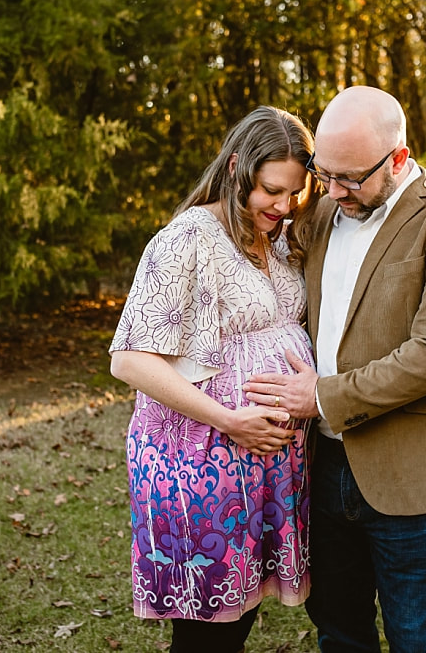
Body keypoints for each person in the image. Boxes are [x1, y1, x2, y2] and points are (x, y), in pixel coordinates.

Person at [242, 85, 426, 653]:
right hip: (322, 464)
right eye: (323, 173)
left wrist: (324, 397)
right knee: (340, 632)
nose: (331, 191)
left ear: (400, 159)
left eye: (350, 178)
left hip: (409, 472)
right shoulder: (325, 210)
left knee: (417, 641)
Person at [109, 105, 319, 653]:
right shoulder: (186, 239)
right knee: (208, 632)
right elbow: (129, 360)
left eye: (294, 192)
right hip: (200, 459)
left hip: (262, 465)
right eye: (271, 190)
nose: (283, 205)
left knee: (238, 618)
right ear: (234, 169)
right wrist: (230, 420)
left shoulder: (276, 234)